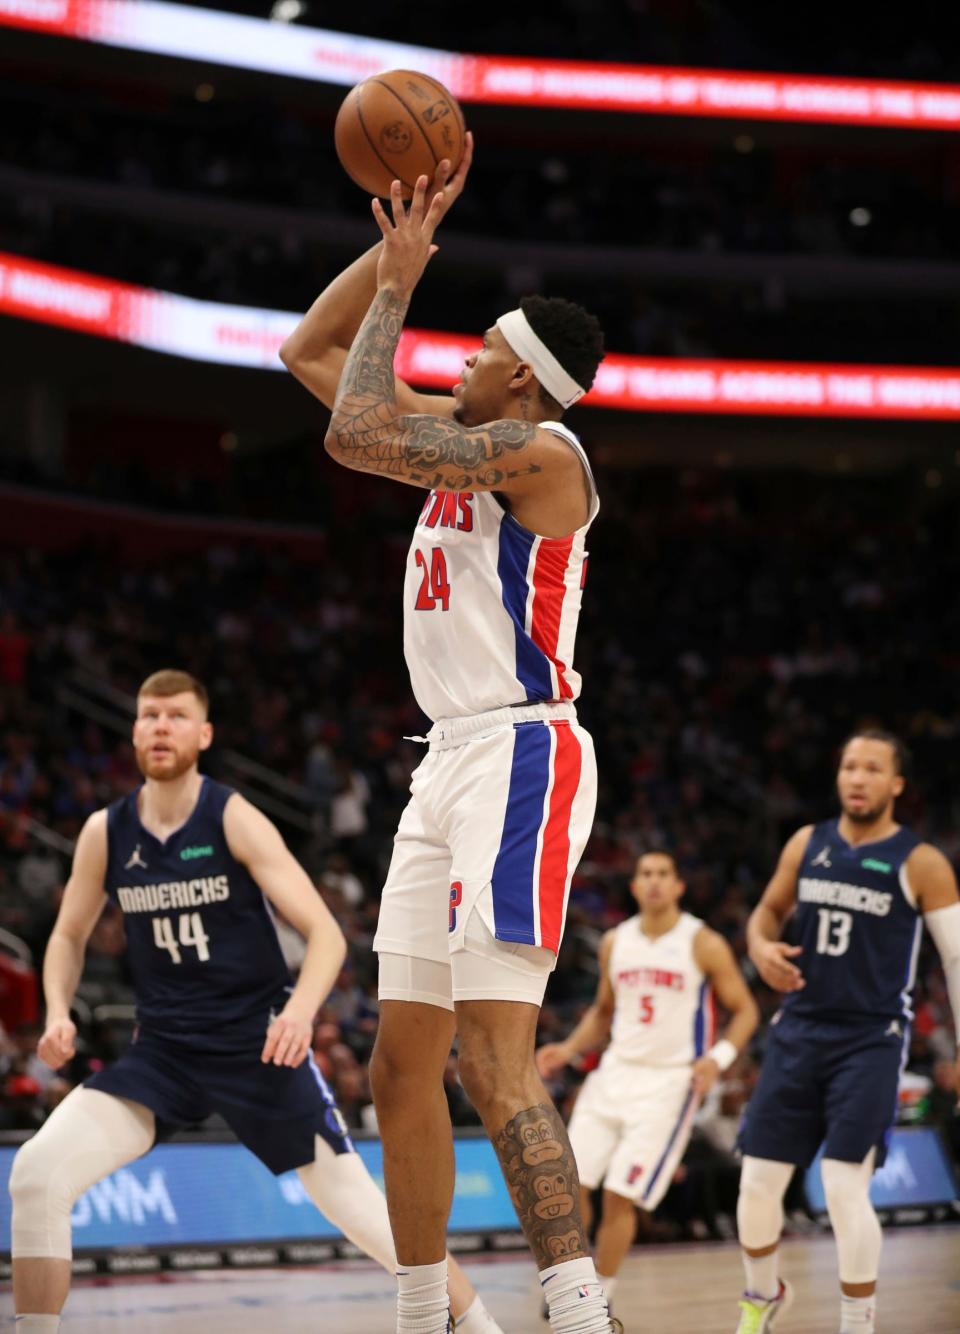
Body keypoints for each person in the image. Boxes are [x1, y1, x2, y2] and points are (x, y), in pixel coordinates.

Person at [280, 141, 618, 1334]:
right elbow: (309, 358)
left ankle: (578, 1308)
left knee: (492, 1055)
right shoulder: (463, 436)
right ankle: (425, 1313)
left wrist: (400, 284)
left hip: (524, 754)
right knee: (396, 1061)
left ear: (521, 378)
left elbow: (352, 429)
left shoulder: (541, 454)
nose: (462, 356)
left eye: (481, 347)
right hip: (446, 762)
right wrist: (395, 245)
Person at [9, 669, 502, 1334]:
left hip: (258, 1045)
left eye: (176, 716)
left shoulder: (232, 816)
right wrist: (59, 1009)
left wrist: (299, 1013)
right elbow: (67, 934)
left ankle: (482, 1329)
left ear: (204, 734)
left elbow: (325, 934)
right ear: (132, 731)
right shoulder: (107, 831)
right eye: (148, 715)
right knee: (36, 1175)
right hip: (163, 1055)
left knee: (371, 1220)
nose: (160, 726)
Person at [734, 729, 960, 1334]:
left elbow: (957, 960)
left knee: (842, 1186)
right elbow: (766, 912)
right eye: (849, 766)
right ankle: (762, 1295)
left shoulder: (922, 862)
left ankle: (856, 1323)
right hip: (798, 1029)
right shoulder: (807, 843)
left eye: (871, 768)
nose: (857, 777)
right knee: (756, 1182)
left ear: (896, 784)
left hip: (870, 1040)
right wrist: (758, 946)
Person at [536, 850, 758, 1311]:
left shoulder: (703, 942)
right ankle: (572, 1286)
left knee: (621, 1194)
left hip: (669, 1084)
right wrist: (570, 1049)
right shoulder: (615, 941)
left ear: (679, 886)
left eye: (663, 874)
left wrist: (716, 1059)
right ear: (634, 886)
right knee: (571, 1185)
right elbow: (603, 1011)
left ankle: (600, 1297)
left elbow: (746, 1010)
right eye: (645, 874)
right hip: (614, 1073)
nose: (654, 882)